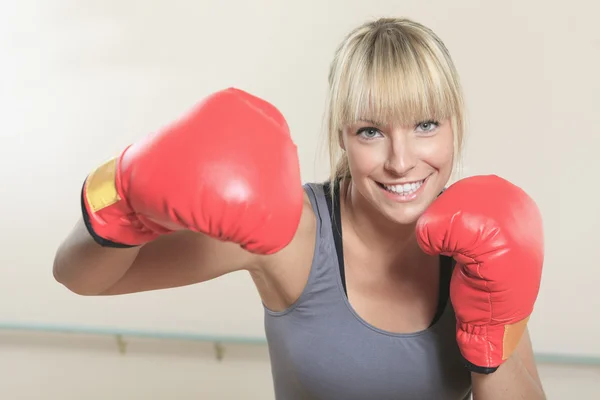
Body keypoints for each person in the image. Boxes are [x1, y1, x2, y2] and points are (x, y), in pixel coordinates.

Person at [53, 17, 546, 400]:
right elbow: (83, 277)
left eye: (425, 125)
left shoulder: (480, 239)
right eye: (371, 131)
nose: (401, 162)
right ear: (342, 137)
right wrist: (119, 196)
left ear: (454, 125)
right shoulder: (296, 232)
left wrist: (491, 345)